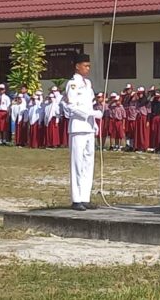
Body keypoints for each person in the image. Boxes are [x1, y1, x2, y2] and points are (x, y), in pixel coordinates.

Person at [62, 54, 101, 211]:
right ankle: (76, 198)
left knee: (88, 162)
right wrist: (89, 115)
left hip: (89, 127)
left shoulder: (88, 84)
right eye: (85, 65)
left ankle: (85, 197)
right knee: (77, 163)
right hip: (78, 127)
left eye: (89, 66)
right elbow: (71, 106)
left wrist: (94, 121)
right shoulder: (72, 84)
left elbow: (90, 105)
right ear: (77, 66)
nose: (88, 68)